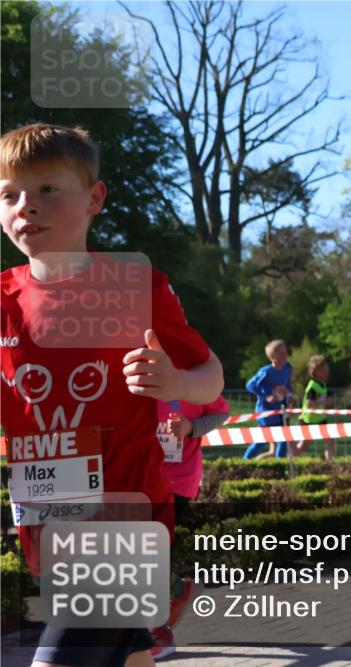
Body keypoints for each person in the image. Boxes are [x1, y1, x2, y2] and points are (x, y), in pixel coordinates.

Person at [0, 123, 224, 667]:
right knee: (129, 654)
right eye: (9, 194)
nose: (26, 206)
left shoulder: (134, 287)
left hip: (125, 521)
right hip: (46, 521)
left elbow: (212, 375)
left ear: (94, 199)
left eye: (47, 189)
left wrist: (176, 384)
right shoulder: (3, 298)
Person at [150, 396, 230, 659]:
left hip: (177, 478)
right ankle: (177, 590)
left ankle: (158, 632)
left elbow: (221, 413)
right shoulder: (132, 379)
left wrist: (191, 427)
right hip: (141, 475)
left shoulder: (191, 380)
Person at [243, 339, 292, 459]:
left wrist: (288, 395)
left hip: (279, 411)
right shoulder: (266, 372)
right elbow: (250, 385)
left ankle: (279, 464)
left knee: (283, 438)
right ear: (272, 357)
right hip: (265, 412)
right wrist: (268, 394)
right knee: (262, 440)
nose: (285, 355)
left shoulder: (287, 368)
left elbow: (287, 384)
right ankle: (244, 462)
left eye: (286, 352)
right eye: (281, 353)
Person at [295, 354, 336, 459]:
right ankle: (289, 461)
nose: (327, 373)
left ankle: (329, 463)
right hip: (308, 419)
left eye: (327, 370)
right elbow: (310, 403)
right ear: (316, 371)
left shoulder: (323, 384)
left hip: (320, 418)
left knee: (331, 441)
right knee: (303, 445)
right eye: (324, 371)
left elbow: (321, 401)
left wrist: (327, 403)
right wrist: (325, 402)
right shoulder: (312, 385)